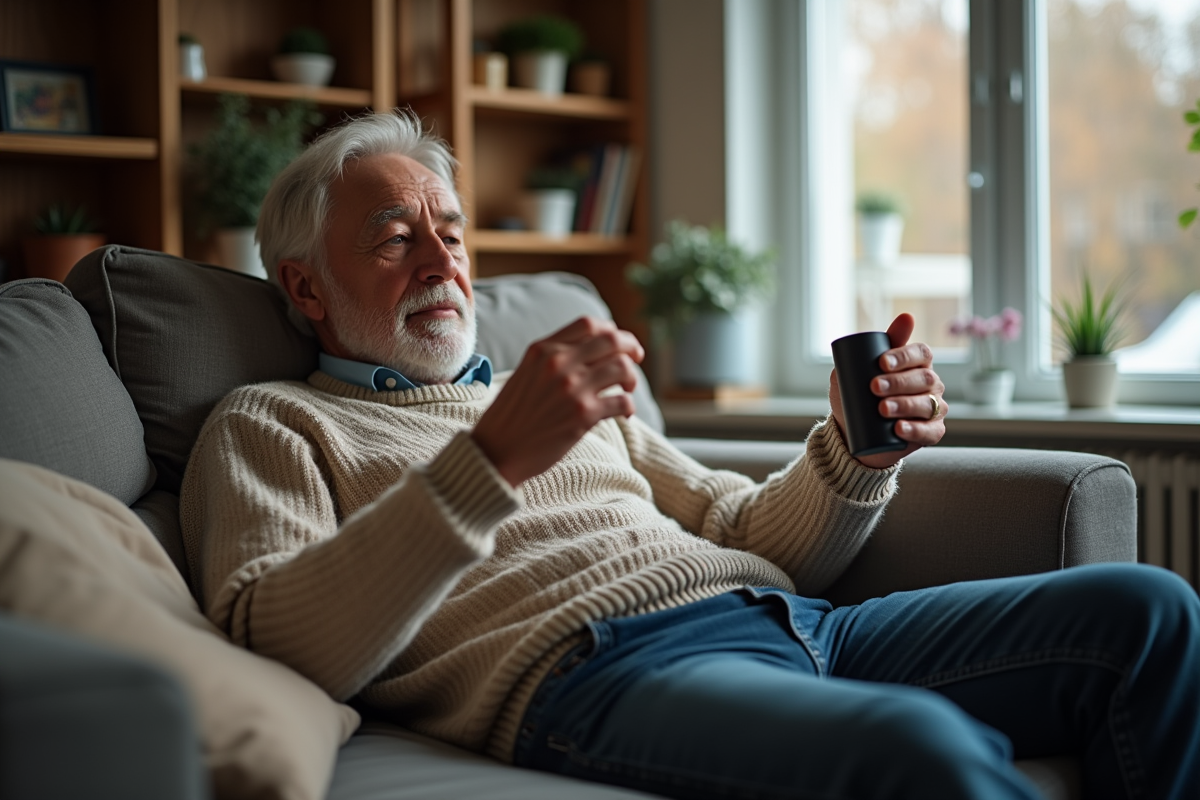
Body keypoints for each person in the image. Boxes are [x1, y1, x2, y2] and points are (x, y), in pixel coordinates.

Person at [180, 111, 1199, 800]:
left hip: (796, 621)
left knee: (1149, 612)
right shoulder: (271, 423)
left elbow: (740, 527)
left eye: (452, 233)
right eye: (398, 237)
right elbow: (277, 638)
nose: (444, 261)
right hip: (596, 671)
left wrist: (855, 447)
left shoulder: (553, 398)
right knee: (921, 751)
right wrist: (489, 460)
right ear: (306, 289)